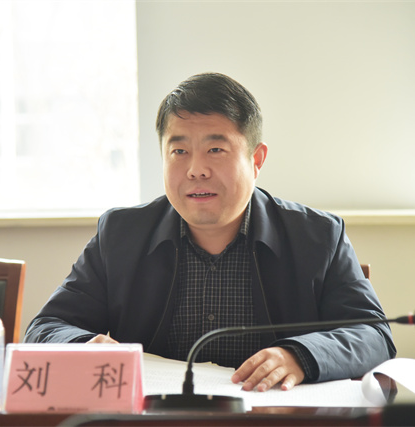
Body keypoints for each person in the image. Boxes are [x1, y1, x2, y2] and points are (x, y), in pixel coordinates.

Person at [24, 72, 396, 392]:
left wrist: (299, 357)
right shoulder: (121, 235)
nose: (196, 170)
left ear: (256, 160)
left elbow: (374, 335)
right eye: (179, 151)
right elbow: (47, 326)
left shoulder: (317, 236)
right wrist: (84, 346)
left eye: (215, 149)